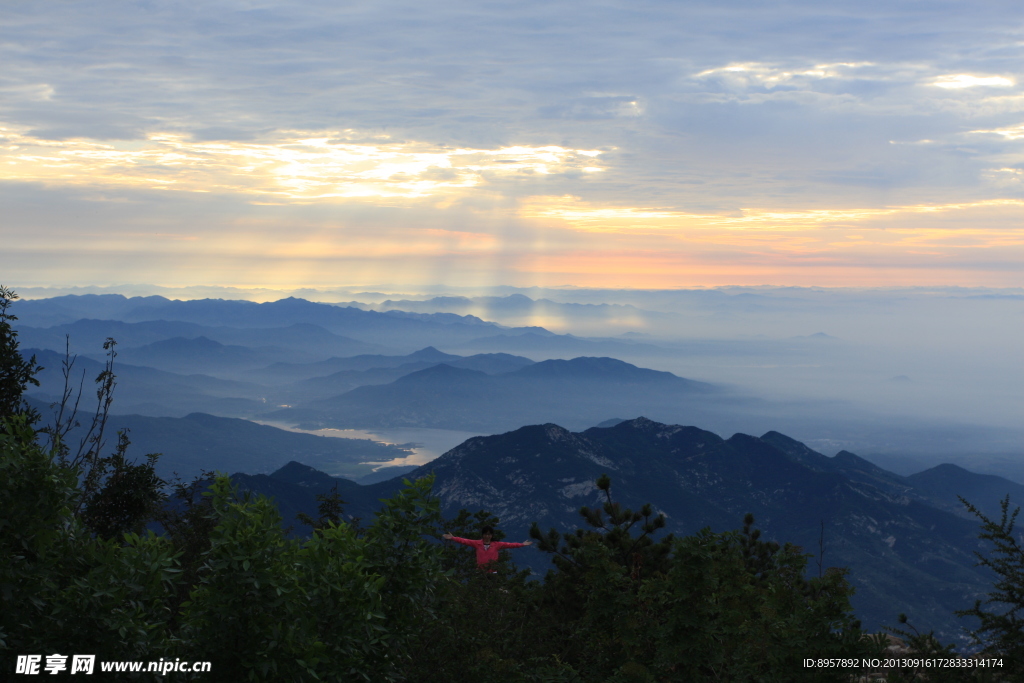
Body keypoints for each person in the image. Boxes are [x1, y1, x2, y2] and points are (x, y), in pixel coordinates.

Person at [442, 525, 532, 571]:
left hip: (492, 571)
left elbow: (510, 545)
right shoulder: (477, 543)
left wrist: (522, 544)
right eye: (485, 534)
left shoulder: (497, 545)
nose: (487, 536)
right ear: (483, 535)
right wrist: (453, 538)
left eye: (489, 534)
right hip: (480, 572)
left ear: (491, 535)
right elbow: (465, 541)